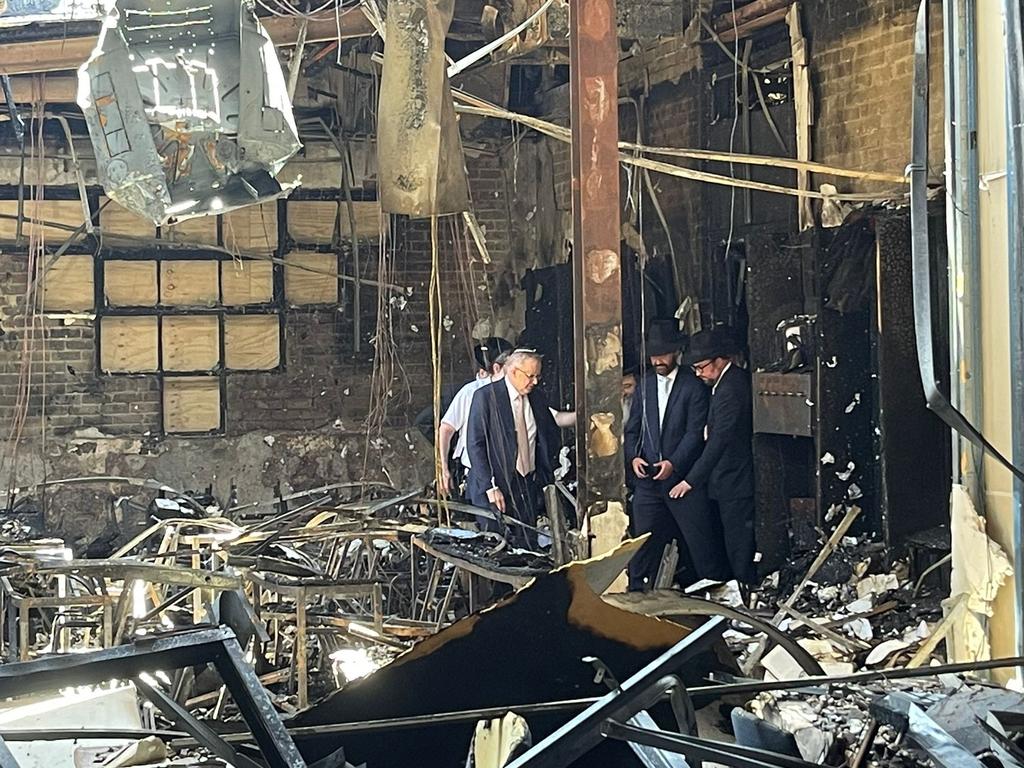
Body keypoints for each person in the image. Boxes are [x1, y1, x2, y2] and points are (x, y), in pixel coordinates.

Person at [625, 321, 730, 591]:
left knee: (700, 542)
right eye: (653, 355)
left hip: (681, 479)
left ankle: (715, 597)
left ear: (677, 352)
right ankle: (636, 596)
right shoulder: (645, 385)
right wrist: (634, 457)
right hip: (648, 481)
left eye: (664, 354)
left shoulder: (692, 384)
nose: (658, 360)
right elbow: (633, 429)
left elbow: (695, 433)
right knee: (642, 544)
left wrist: (673, 463)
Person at [670, 326, 757, 585]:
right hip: (725, 479)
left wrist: (690, 481)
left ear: (721, 360)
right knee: (730, 540)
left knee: (738, 544)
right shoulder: (722, 383)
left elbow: (719, 441)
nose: (699, 374)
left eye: (702, 367)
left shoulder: (731, 387)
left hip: (735, 479)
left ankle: (745, 591)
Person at [466, 349, 559, 548]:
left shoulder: (537, 398)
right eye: (530, 376)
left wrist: (545, 473)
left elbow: (549, 433)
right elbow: (475, 444)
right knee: (497, 549)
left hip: (527, 482)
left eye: (538, 376)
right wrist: (489, 486)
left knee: (527, 545)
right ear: (513, 371)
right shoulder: (486, 397)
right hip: (496, 484)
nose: (535, 382)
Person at [436, 337, 514, 494]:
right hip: (478, 472)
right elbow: (446, 429)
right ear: (498, 368)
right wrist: (443, 468)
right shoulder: (471, 392)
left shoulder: (517, 393)